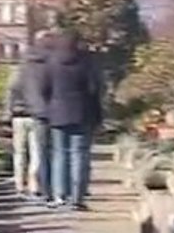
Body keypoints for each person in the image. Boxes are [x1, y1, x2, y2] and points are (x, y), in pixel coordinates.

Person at [42, 30, 102, 211]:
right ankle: (77, 197)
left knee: (59, 154)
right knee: (79, 154)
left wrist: (50, 105)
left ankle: (60, 195)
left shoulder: (51, 62)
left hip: (58, 113)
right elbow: (94, 89)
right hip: (82, 112)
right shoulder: (86, 62)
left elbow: (44, 88)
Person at [6, 31, 52, 200]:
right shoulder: (44, 67)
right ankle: (34, 184)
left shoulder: (19, 69)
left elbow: (11, 90)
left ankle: (19, 184)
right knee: (37, 151)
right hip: (37, 114)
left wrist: (8, 111)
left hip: (18, 115)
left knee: (19, 151)